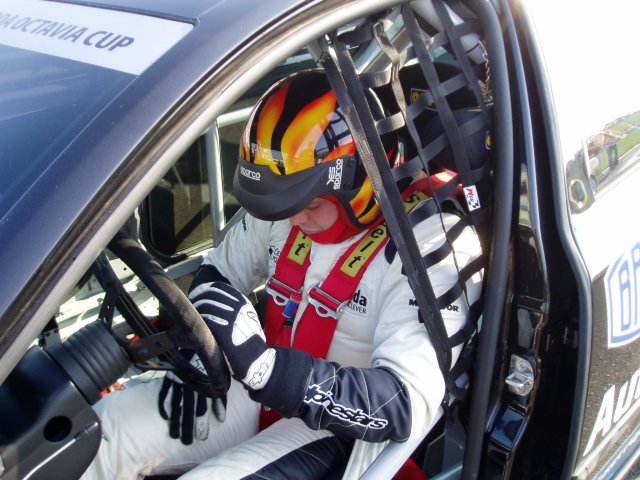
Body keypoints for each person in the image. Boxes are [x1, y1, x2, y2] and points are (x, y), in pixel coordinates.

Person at [82, 69, 483, 480]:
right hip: (256, 388)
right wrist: (202, 350)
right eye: (283, 201)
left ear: (360, 183)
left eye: (309, 204)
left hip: (341, 433)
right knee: (101, 432)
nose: (292, 218)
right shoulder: (284, 203)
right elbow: (217, 275)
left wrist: (267, 370)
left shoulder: (435, 242)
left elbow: (402, 405)